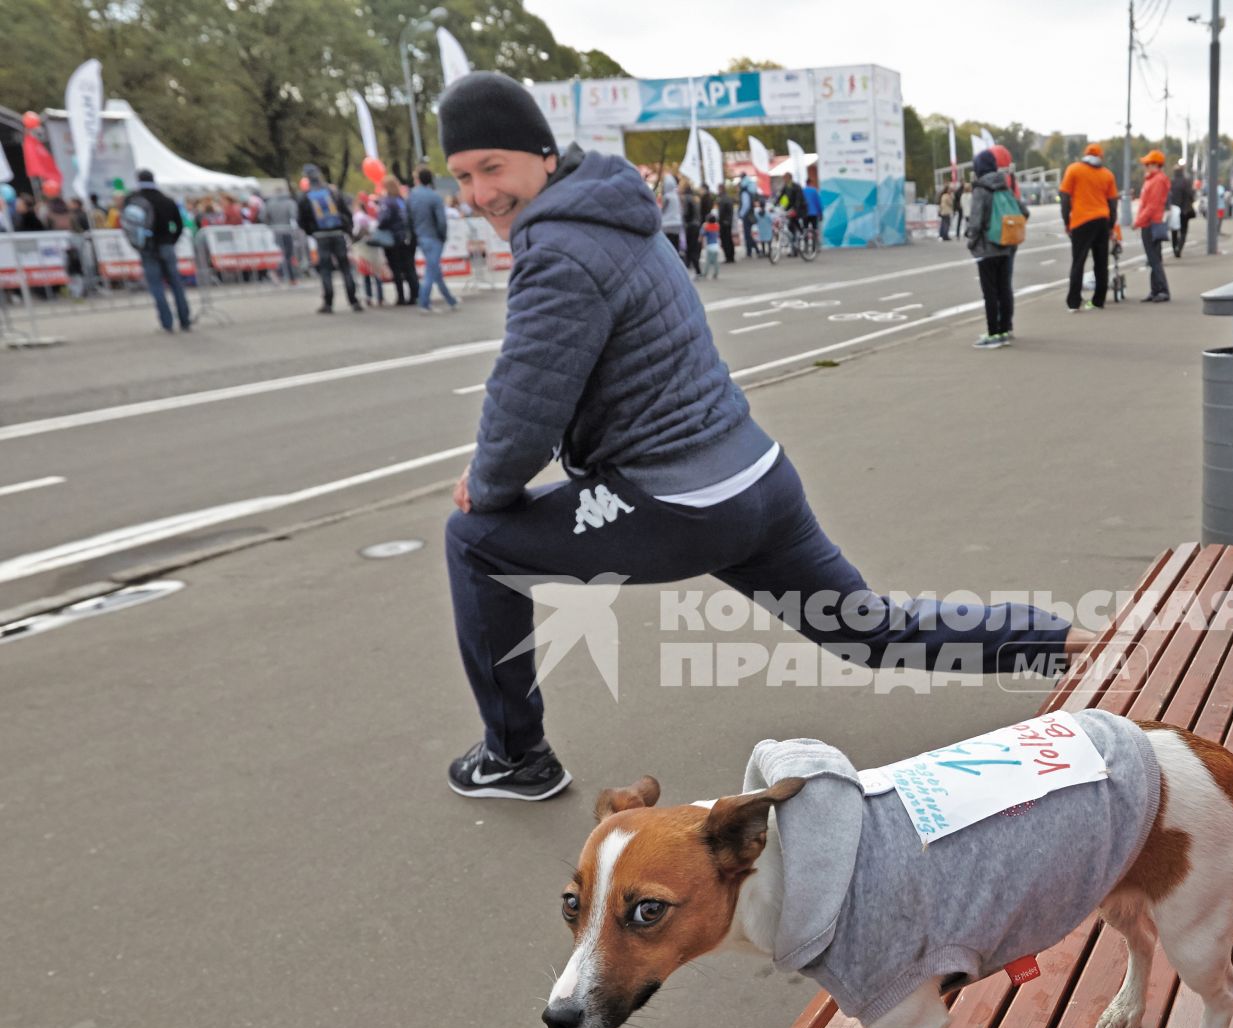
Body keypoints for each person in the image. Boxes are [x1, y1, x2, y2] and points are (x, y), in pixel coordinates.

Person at [436, 72, 1085, 799]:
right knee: (868, 630)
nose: (478, 193)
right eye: (462, 176)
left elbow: (526, 405)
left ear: (544, 155)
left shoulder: (556, 249)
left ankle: (517, 757)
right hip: (756, 476)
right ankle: (1065, 643)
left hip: (681, 501)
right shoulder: (620, 217)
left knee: (475, 539)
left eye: (492, 168)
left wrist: (487, 484)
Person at [964, 149, 1027, 348]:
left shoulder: (981, 189)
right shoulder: (1005, 186)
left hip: (987, 247)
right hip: (1007, 245)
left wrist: (971, 241)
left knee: (990, 292)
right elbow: (1024, 211)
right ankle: (1006, 329)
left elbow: (975, 222)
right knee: (1005, 288)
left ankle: (993, 334)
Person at [123, 169, 193, 333]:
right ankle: (185, 320)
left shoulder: (134, 200)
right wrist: (171, 240)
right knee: (176, 284)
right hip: (166, 244)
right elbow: (179, 224)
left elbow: (127, 224)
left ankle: (166, 323)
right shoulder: (167, 200)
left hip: (147, 247)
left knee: (156, 286)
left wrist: (137, 244)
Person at [1059, 142, 1118, 313]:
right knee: (1101, 262)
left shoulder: (1073, 170)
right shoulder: (1107, 174)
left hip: (1081, 220)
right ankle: (1098, 300)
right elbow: (1112, 202)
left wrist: (1066, 221)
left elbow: (1064, 197)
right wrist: (1111, 225)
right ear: (1100, 157)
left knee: (1078, 261)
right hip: (1102, 219)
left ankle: (1074, 302)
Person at [296, 163, 363, 314]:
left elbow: (301, 220)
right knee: (345, 268)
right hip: (337, 233)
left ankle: (328, 302)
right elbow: (346, 212)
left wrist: (311, 232)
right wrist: (348, 229)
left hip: (320, 236)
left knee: (326, 270)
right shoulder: (332, 192)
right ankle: (353, 300)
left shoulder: (305, 197)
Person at [411, 166, 459, 312]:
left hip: (421, 236)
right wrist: (442, 236)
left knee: (434, 269)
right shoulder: (434, 196)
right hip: (433, 237)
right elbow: (441, 221)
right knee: (431, 271)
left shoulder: (412, 196)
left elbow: (408, 218)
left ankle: (450, 300)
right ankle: (424, 301)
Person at [1132, 149, 1171, 303]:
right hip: (1152, 222)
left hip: (1151, 223)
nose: (1145, 167)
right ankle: (1155, 290)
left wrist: (1138, 222)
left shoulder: (1157, 180)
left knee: (1154, 258)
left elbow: (1152, 206)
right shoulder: (1153, 179)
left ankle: (1162, 290)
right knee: (1154, 257)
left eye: (1148, 164)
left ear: (1156, 164)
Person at [377, 176, 419, 305]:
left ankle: (400, 297)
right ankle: (414, 295)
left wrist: (378, 226)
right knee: (410, 268)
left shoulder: (387, 201)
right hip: (407, 238)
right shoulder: (402, 200)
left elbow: (384, 220)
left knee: (396, 269)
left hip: (394, 239)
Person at [352, 193, 387, 307]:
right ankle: (380, 297)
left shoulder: (359, 216)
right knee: (376, 273)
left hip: (363, 246)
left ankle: (369, 297)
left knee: (366, 273)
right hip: (374, 245)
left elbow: (355, 231)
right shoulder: (375, 211)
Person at [263, 185, 301, 283]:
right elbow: (294, 215)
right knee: (288, 254)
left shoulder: (269, 203)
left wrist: (271, 225)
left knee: (285, 254)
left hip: (276, 231)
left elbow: (263, 217)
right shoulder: (289, 203)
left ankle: (282, 273)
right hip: (287, 231)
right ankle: (288, 276)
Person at [1170, 165, 1195, 256]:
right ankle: (1179, 248)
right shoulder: (1186, 181)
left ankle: (1174, 247)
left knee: (1174, 230)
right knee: (1183, 230)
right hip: (1185, 210)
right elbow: (1191, 194)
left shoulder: (1171, 181)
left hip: (1174, 209)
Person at [681, 177, 703, 275]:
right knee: (694, 247)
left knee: (689, 247)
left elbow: (685, 213)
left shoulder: (685, 199)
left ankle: (689, 265)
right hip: (696, 225)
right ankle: (697, 268)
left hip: (689, 225)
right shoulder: (696, 198)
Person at [659, 170, 682, 258]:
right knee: (676, 245)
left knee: (668, 246)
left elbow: (663, 210)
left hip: (667, 224)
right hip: (677, 223)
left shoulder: (667, 197)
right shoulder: (676, 196)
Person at [716, 183, 736, 264]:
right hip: (728, 222)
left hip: (724, 222)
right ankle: (731, 256)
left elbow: (721, 212)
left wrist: (721, 221)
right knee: (729, 239)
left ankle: (728, 257)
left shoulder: (722, 199)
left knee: (725, 240)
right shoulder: (728, 198)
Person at [738, 175, 758, 257]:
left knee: (747, 234)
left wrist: (741, 214)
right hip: (750, 215)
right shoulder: (750, 191)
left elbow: (746, 205)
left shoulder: (744, 193)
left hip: (747, 216)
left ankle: (751, 251)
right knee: (748, 234)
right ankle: (755, 250)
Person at [801, 174, 823, 247]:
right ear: (811, 183)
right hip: (814, 213)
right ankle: (815, 246)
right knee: (814, 229)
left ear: (806, 183)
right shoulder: (814, 191)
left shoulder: (802, 191)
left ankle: (806, 245)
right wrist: (820, 213)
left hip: (805, 213)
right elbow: (818, 203)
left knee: (805, 229)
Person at [700, 213, 723, 280]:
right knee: (715, 261)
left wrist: (703, 226)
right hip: (716, 245)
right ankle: (716, 273)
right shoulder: (717, 226)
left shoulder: (707, 227)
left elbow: (702, 234)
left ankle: (705, 274)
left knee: (708, 261)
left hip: (709, 246)